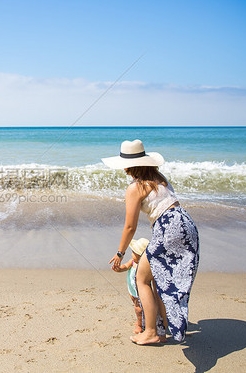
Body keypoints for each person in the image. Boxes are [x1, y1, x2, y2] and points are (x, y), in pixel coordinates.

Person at [103, 139, 199, 345]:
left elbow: (130, 227)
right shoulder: (159, 178)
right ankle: (165, 327)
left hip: (168, 228)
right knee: (161, 279)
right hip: (186, 223)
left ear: (129, 165)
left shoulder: (135, 188)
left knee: (142, 278)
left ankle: (151, 332)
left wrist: (120, 253)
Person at [112, 238, 149, 334]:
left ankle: (140, 325)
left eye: (134, 252)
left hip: (140, 290)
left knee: (138, 308)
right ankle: (141, 320)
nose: (132, 254)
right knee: (136, 304)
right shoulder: (133, 261)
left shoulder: (144, 265)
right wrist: (119, 268)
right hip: (132, 289)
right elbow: (125, 266)